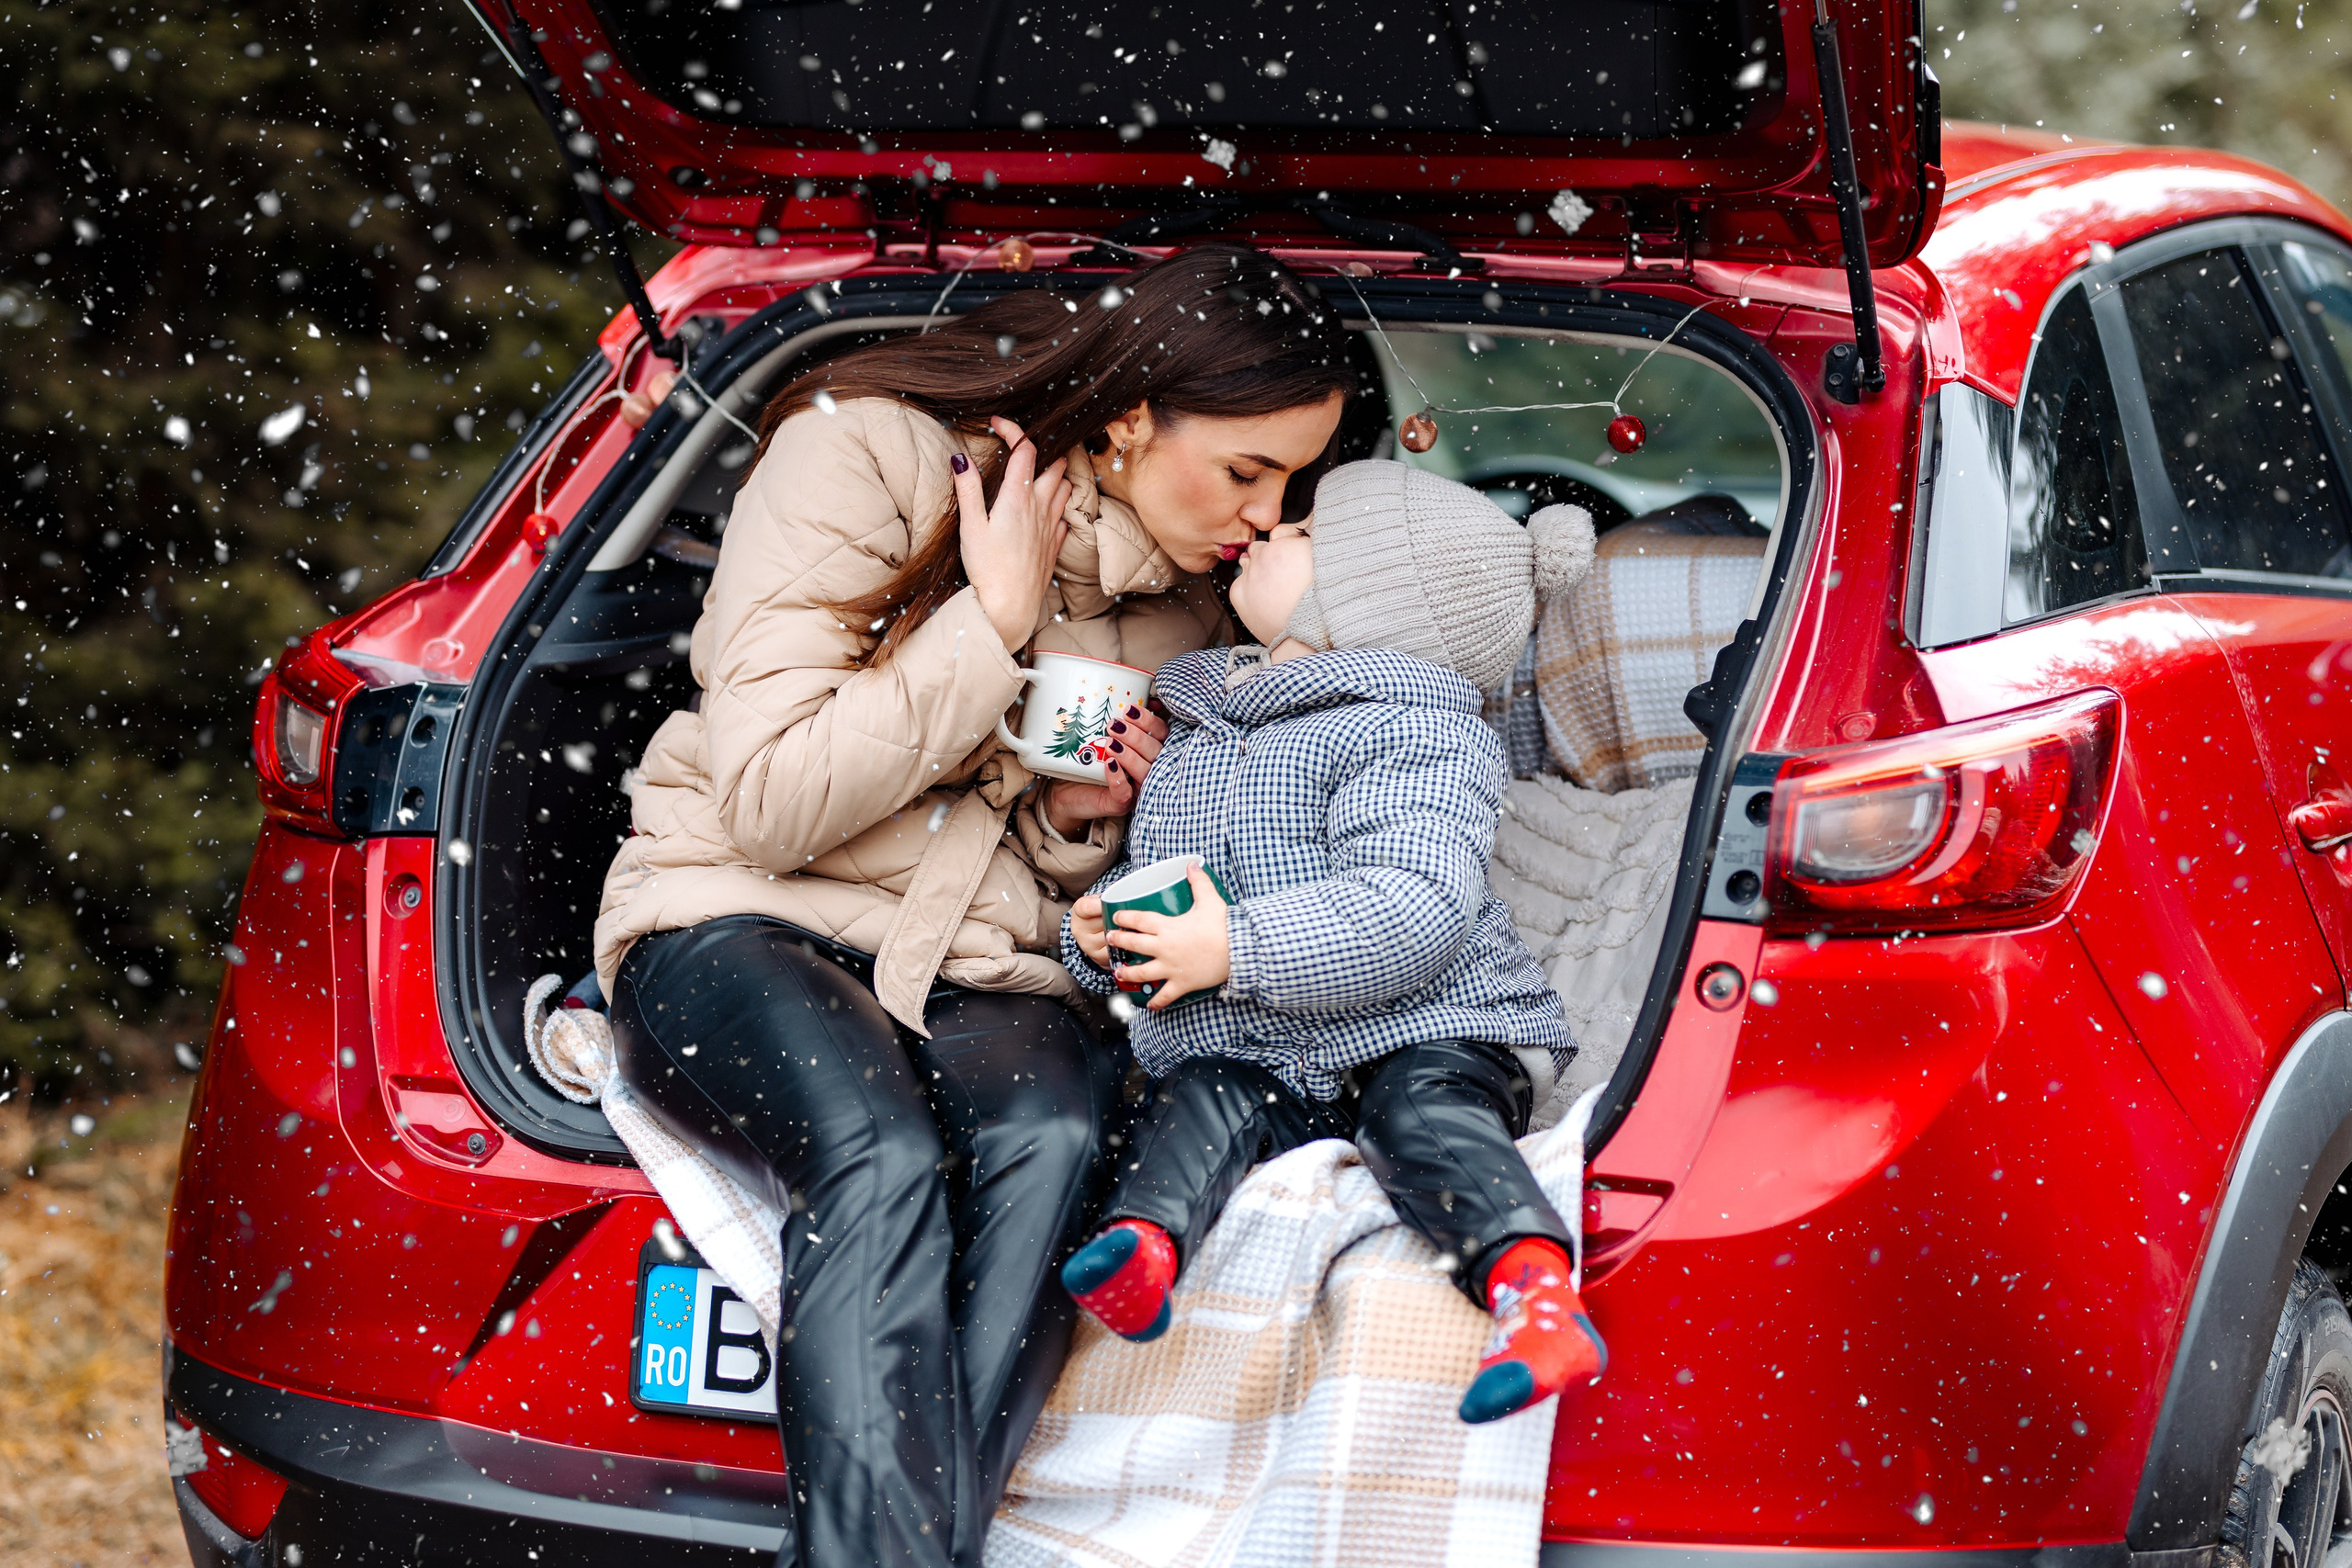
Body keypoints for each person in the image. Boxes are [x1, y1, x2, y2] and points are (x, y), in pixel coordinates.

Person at [594, 245, 1353, 1568]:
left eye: (1294, 483)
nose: (1264, 514)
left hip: (977, 961)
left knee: (1058, 1127)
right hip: (731, 911)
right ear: (1128, 417)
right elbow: (772, 799)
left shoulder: (1189, 618)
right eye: (1247, 470)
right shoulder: (868, 459)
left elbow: (1051, 881)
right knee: (878, 1150)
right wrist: (992, 619)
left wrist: (1078, 828)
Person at [1058, 460, 1608, 1426]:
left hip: (1430, 1023)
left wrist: (1236, 948)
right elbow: (1179, 879)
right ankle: (1142, 1249)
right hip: (1258, 1041)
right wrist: (1101, 931)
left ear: (1358, 604)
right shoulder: (1201, 723)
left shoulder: (1417, 731)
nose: (1269, 530)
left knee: (1423, 1120)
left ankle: (1532, 1291)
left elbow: (1417, 904)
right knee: (1198, 1104)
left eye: (1304, 533)